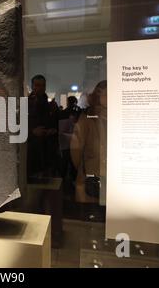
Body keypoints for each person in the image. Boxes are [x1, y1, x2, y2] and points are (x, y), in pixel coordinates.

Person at [70, 81, 107, 220]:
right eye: (103, 94)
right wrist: (84, 170)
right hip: (90, 181)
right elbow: (76, 151)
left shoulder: (117, 118)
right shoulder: (87, 119)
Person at [27, 75, 58, 179]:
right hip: (32, 149)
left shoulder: (47, 103)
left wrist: (52, 130)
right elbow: (17, 125)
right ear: (32, 86)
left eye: (42, 85)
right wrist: (32, 132)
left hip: (46, 148)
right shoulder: (26, 103)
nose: (40, 88)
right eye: (37, 85)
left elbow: (52, 123)